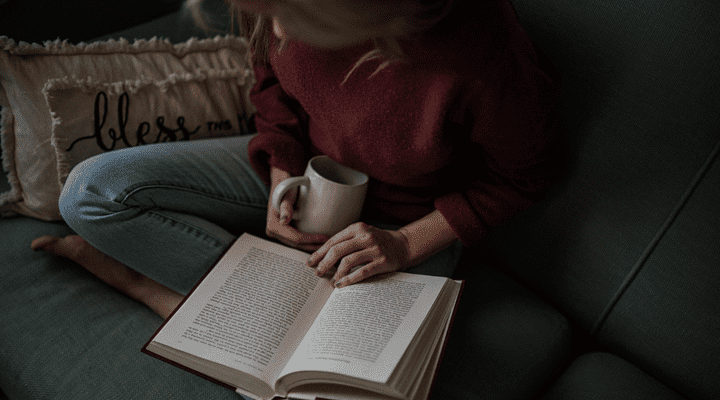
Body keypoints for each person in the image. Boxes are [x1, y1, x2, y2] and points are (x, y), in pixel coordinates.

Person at [32, 0, 562, 320]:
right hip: (308, 170)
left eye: (296, 15)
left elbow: (521, 177)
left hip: (402, 220)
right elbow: (270, 87)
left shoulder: (479, 52)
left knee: (331, 381)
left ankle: (154, 293)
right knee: (91, 194)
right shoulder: (271, 11)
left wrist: (403, 244)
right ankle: (236, 303)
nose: (279, 32)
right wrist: (281, 172)